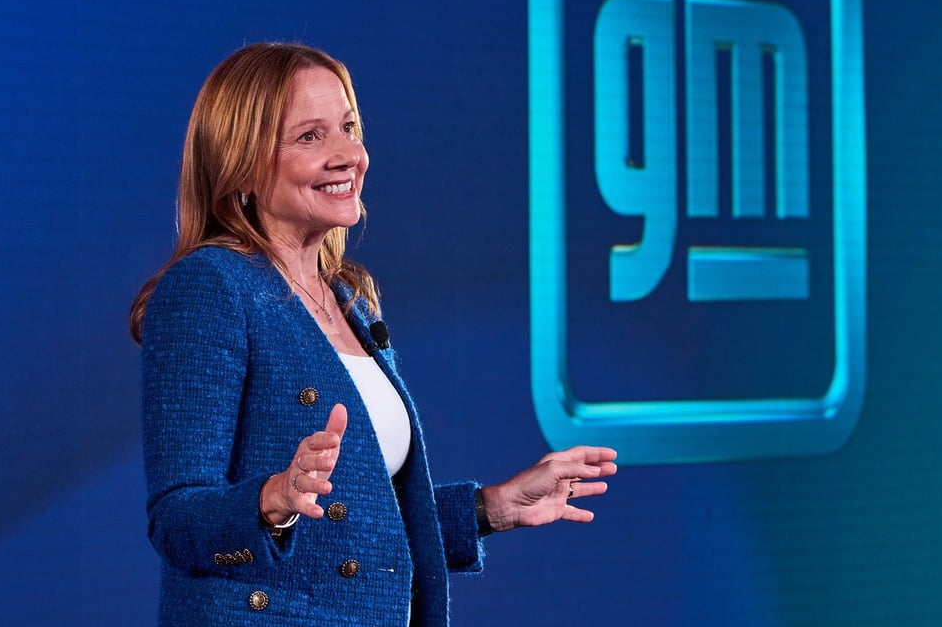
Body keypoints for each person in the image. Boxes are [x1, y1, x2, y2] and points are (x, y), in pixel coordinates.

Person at [130, 42, 617, 625]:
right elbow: (176, 519)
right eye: (310, 137)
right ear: (242, 164)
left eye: (349, 127)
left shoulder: (347, 298)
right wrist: (273, 500)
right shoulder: (209, 286)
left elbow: (360, 529)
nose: (348, 155)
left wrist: (493, 507)